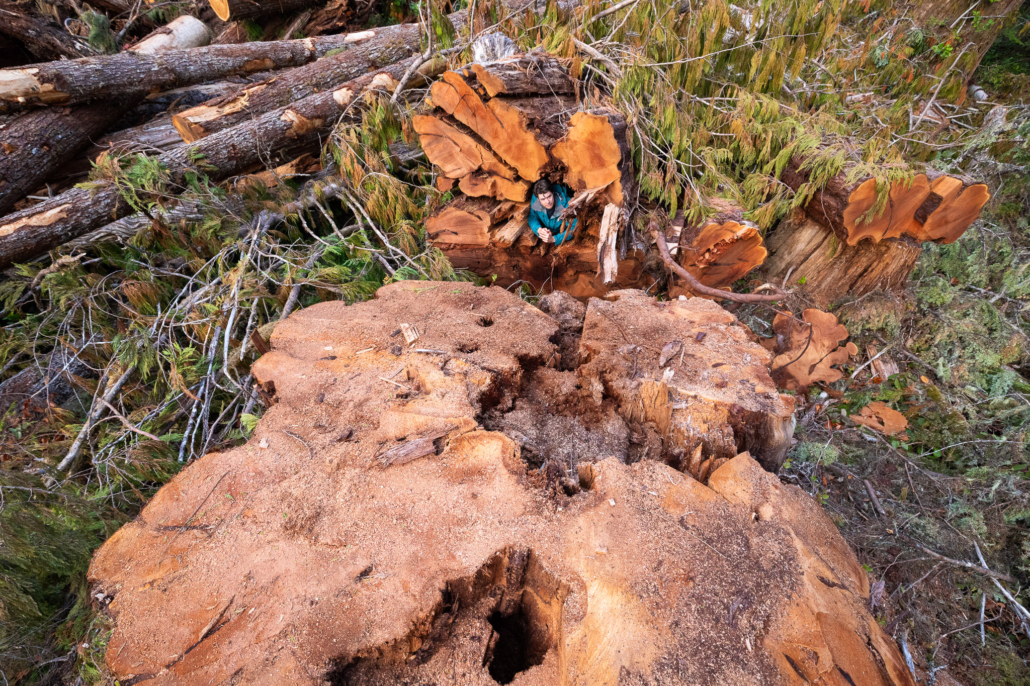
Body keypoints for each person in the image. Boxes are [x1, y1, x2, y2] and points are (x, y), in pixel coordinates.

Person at [528, 179, 577, 246]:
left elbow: (574, 227)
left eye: (549, 196)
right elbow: (532, 216)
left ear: (553, 193)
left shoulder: (567, 204)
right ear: (538, 199)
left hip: (562, 235)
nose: (547, 202)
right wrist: (539, 229)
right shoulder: (535, 198)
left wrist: (554, 239)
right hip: (547, 231)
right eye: (543, 199)